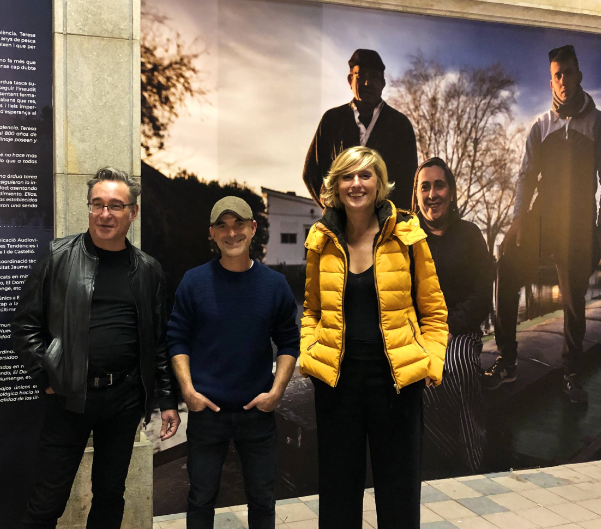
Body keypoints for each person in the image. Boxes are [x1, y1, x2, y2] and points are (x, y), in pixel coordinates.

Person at [11, 167, 180, 529]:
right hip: (68, 397)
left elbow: (158, 341)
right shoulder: (58, 257)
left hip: (123, 400)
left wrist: (164, 399)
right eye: (98, 204)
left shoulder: (148, 270)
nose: (105, 214)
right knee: (46, 502)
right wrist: (47, 376)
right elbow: (25, 324)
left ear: (132, 213)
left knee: (109, 495)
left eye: (116, 206)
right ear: (89, 208)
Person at [300, 146, 448, 529]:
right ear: (336, 185)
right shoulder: (321, 239)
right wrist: (309, 354)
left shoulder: (407, 234)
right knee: (337, 494)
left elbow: (434, 311)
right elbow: (312, 310)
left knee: (398, 495)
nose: (356, 184)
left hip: (395, 383)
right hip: (337, 383)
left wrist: (429, 361)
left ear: (380, 183)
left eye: (366, 175)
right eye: (347, 176)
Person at [485, 45, 601, 404]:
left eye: (569, 72)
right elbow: (526, 176)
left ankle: (572, 375)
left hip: (578, 226)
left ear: (579, 75)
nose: (563, 81)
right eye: (557, 75)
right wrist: (517, 220)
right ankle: (507, 362)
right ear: (551, 80)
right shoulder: (541, 126)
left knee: (574, 303)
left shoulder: (598, 122)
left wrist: (600, 231)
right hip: (541, 221)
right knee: (507, 271)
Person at [166, 196, 300, 529]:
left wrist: (276, 393)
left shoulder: (274, 285)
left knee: (262, 498)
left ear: (253, 228)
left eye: (239, 224)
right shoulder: (194, 282)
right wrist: (188, 391)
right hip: (206, 412)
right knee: (200, 498)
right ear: (212, 234)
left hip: (257, 412)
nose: (231, 233)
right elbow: (176, 339)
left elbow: (289, 342)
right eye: (222, 226)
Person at [412, 157, 493, 474]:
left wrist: (447, 328)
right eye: (425, 187)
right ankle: (447, 454)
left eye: (439, 185)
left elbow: (483, 292)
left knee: (456, 366)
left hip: (461, 333)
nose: (432, 194)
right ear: (417, 195)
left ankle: (475, 459)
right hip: (419, 335)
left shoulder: (471, 235)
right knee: (413, 381)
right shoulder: (407, 240)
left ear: (452, 191)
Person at [302, 48, 418, 208]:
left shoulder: (399, 124)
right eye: (361, 75)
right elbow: (311, 173)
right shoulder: (332, 120)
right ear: (350, 80)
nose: (367, 83)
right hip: (343, 228)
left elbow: (410, 182)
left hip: (385, 227)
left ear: (383, 83)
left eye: (374, 77)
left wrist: (390, 222)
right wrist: (333, 211)